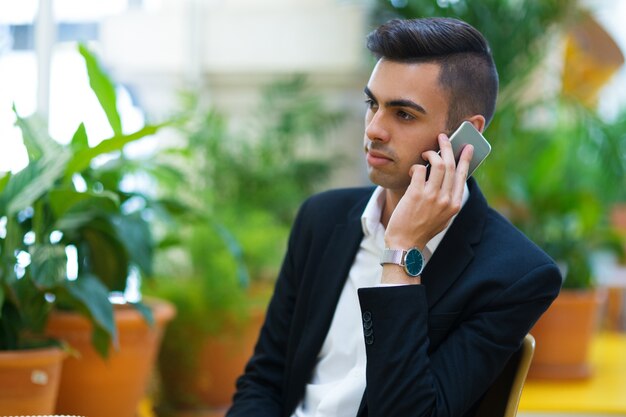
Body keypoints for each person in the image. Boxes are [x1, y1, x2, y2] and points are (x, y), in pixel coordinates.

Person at [227, 17, 562, 417]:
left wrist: (402, 253)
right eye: (373, 104)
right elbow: (265, 380)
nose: (374, 129)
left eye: (403, 114)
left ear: (465, 136)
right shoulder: (322, 219)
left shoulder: (516, 275)